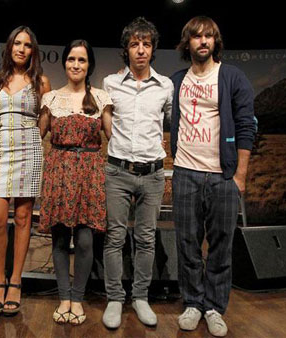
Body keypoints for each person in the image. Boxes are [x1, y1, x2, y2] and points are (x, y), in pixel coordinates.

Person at [170, 16, 256, 337]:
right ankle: (193, 302)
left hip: (222, 176)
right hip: (186, 173)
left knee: (221, 245)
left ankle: (214, 307)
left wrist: (240, 177)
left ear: (215, 42)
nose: (203, 41)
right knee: (187, 242)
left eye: (209, 36)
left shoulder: (232, 76)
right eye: (197, 36)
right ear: (187, 43)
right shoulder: (177, 80)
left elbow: (247, 126)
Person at [101, 17, 173, 329]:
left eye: (146, 44)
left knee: (145, 238)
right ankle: (115, 298)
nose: (140, 50)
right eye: (134, 44)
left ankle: (140, 296)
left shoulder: (166, 85)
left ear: (152, 49)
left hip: (154, 173)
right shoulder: (110, 83)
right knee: (115, 237)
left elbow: (173, 124)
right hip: (118, 171)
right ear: (126, 49)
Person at [38, 39, 113, 325]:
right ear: (64, 63)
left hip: (90, 173)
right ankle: (64, 298)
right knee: (59, 238)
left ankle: (78, 298)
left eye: (82, 60)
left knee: (84, 240)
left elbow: (112, 137)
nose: (76, 65)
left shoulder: (101, 98)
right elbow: (38, 135)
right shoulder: (52, 98)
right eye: (71, 59)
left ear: (89, 64)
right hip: (58, 172)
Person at [0, 26, 51, 316]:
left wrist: (33, 140)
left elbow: (45, 119)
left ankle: (15, 282)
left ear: (33, 51)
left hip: (29, 151)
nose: (21, 49)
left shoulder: (41, 82)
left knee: (23, 218)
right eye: (17, 44)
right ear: (9, 47)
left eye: (27, 45)